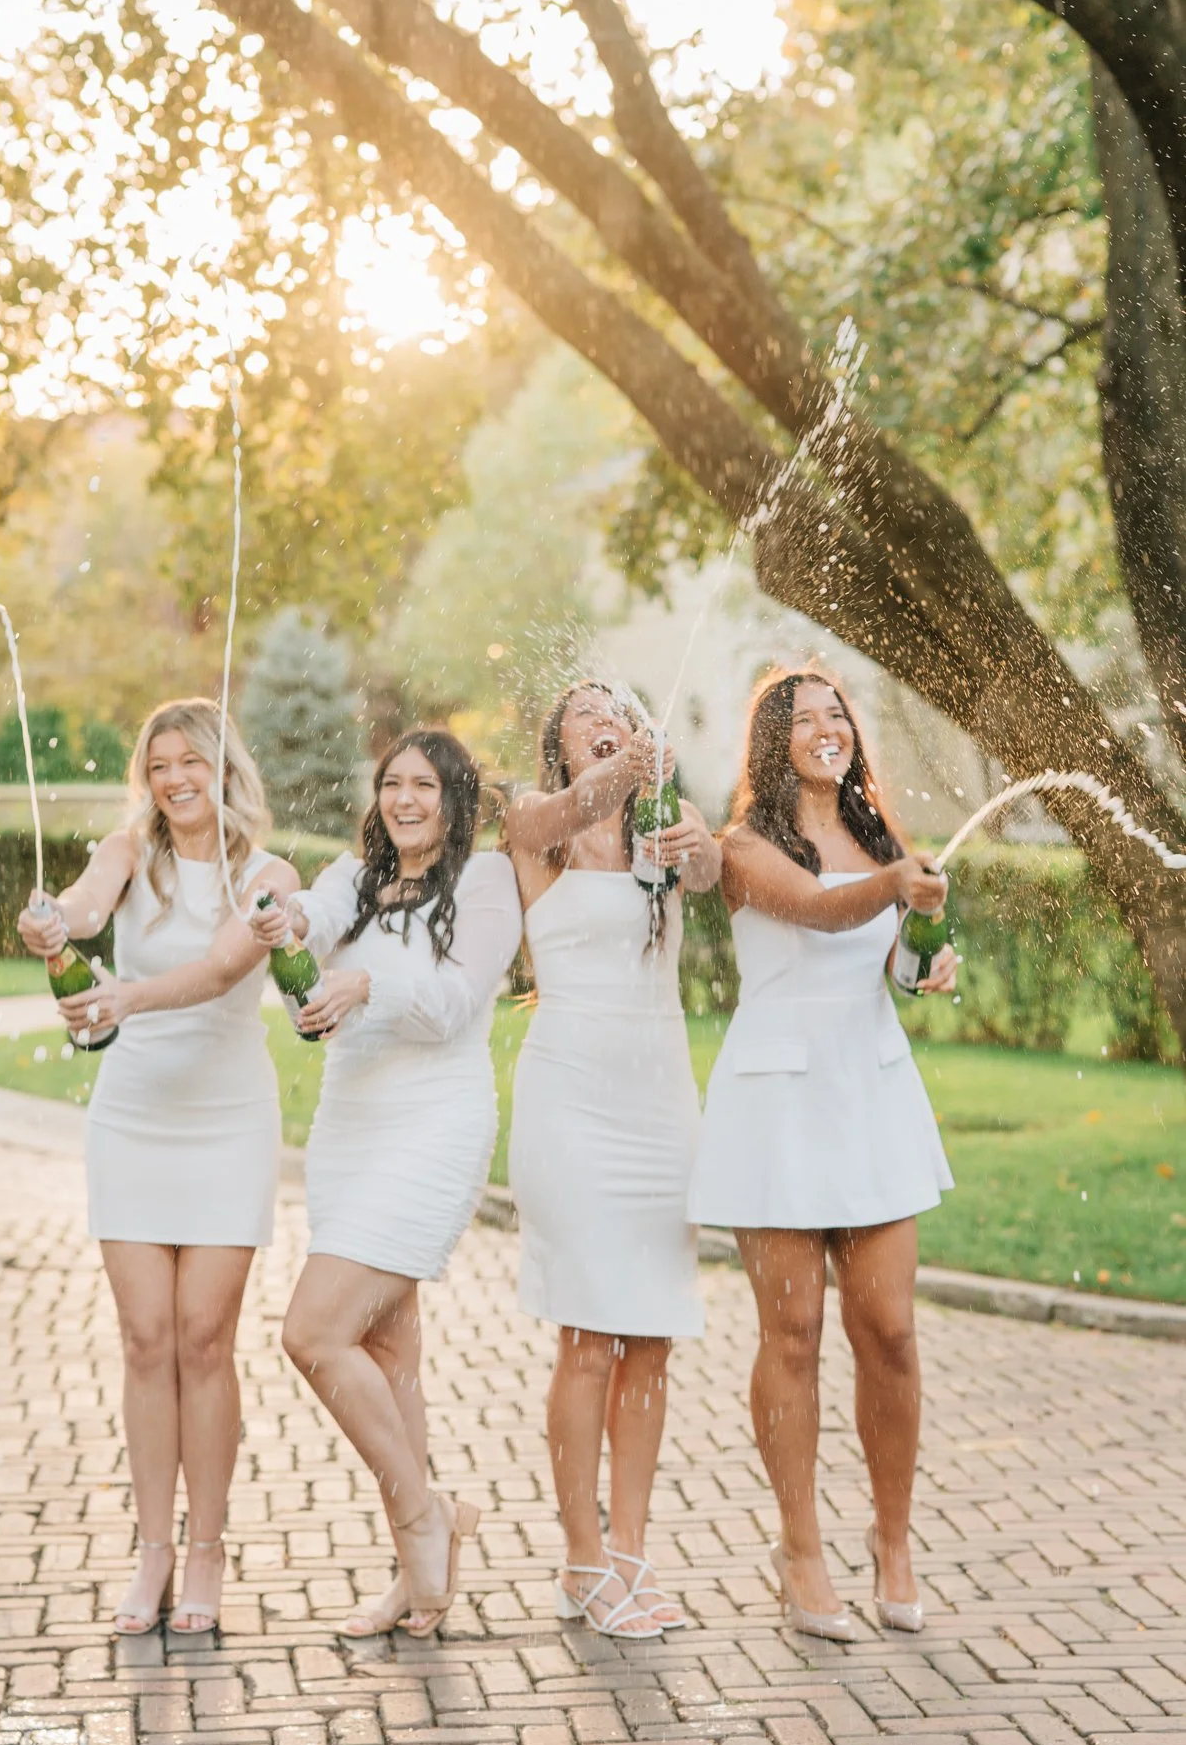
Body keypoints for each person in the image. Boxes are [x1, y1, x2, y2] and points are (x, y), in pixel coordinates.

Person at [17, 698, 297, 1637]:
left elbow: (221, 972)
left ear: (224, 769)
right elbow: (87, 908)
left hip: (227, 1122)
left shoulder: (267, 874)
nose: (176, 778)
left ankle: (209, 1550)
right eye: (161, 763)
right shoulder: (128, 849)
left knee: (204, 1338)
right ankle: (152, 1553)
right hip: (133, 1116)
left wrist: (123, 996)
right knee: (145, 1340)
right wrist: (53, 926)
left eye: (192, 762)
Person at [688, 666, 956, 1641]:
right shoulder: (743, 846)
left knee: (888, 1327)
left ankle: (894, 1540)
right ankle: (800, 1550)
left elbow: (889, 954)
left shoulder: (881, 835)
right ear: (772, 740)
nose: (824, 726)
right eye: (801, 717)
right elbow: (811, 907)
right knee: (791, 1336)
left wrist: (924, 947)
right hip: (779, 1100)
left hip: (872, 1089)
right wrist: (892, 887)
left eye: (835, 710)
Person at [249, 729, 521, 1638]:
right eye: (392, 783)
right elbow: (309, 955)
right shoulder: (349, 876)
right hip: (349, 1131)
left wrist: (364, 984)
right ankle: (418, 1576)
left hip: (433, 1126)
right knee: (389, 1353)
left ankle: (423, 1517)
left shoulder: (485, 883)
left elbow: (449, 1006)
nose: (406, 799)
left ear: (455, 799)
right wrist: (287, 935)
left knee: (314, 1332)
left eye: (426, 784)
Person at [503, 683, 721, 1639]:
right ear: (560, 741)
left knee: (652, 1334)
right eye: (582, 711)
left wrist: (701, 850)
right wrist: (614, 776)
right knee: (587, 1335)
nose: (603, 718)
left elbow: (710, 873)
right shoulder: (537, 822)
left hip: (660, 1098)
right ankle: (582, 1557)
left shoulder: (662, 818)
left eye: (618, 709)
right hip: (571, 1101)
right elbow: (566, 808)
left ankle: (632, 1552)